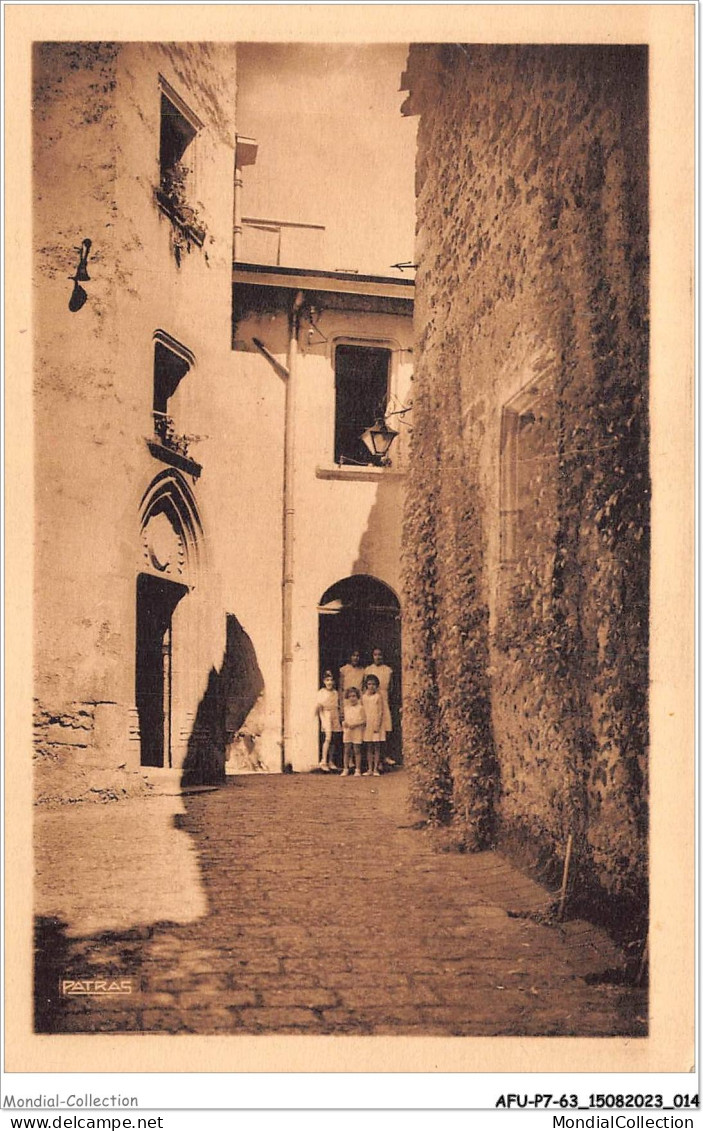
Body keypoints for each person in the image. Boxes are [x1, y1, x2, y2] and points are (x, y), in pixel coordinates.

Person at [364, 647, 393, 766]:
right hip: (371, 702)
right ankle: (374, 762)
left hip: (383, 700)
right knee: (371, 730)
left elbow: (391, 687)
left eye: (380, 655)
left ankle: (383, 757)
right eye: (375, 655)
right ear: (372, 656)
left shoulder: (388, 670)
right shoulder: (368, 669)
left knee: (384, 728)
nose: (378, 657)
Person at [315, 670, 341, 772]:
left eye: (331, 680)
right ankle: (323, 761)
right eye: (327, 680)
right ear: (323, 681)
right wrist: (322, 719)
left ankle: (331, 761)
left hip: (334, 714)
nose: (329, 682)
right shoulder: (321, 692)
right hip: (326, 715)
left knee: (334, 738)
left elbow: (337, 705)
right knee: (328, 737)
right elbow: (319, 706)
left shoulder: (335, 692)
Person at [362, 673, 384, 776]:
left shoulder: (378, 697)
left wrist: (377, 725)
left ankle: (376, 769)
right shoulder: (364, 697)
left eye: (374, 684)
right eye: (369, 684)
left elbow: (380, 712)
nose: (371, 686)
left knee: (376, 746)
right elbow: (362, 711)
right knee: (369, 747)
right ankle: (369, 769)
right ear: (366, 685)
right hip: (367, 724)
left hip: (376, 723)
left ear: (377, 686)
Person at [340, 686, 365, 776]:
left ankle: (357, 769)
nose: (352, 698)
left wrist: (354, 725)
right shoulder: (346, 708)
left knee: (356, 750)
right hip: (348, 730)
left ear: (357, 697)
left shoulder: (360, 708)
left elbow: (363, 721)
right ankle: (345, 768)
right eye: (350, 696)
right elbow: (343, 718)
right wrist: (344, 723)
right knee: (347, 750)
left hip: (357, 730)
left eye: (354, 696)